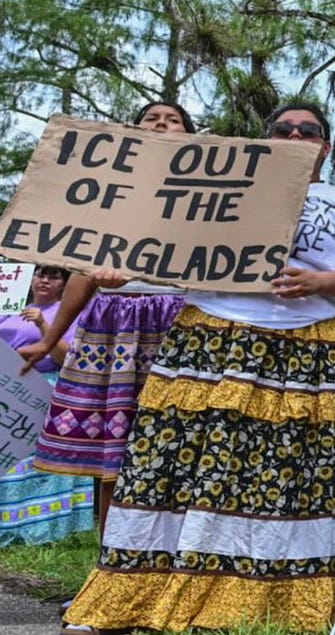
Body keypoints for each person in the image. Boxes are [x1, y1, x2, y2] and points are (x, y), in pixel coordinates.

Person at [62, 101, 335, 633]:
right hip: (212, 336)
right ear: (265, 140)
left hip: (307, 347)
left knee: (288, 472)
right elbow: (158, 254)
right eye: (282, 127)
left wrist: (319, 282)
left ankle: (274, 602)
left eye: (307, 130)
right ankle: (135, 595)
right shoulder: (219, 194)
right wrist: (116, 271)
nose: (294, 134)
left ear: (325, 148)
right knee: (178, 462)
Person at [24, 100, 192, 538]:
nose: (160, 124)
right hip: (113, 329)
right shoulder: (108, 193)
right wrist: (49, 340)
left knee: (181, 446)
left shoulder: (205, 200)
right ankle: (108, 564)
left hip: (179, 323)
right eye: (151, 119)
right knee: (113, 452)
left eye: (172, 120)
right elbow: (80, 274)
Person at [0, 266, 94, 547]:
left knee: (35, 462)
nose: (44, 281)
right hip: (8, 385)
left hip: (45, 386)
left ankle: (39, 529)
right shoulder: (10, 306)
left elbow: (65, 356)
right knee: (8, 457)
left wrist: (43, 325)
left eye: (53, 277)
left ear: (63, 285)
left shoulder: (66, 313)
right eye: (40, 275)